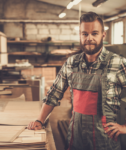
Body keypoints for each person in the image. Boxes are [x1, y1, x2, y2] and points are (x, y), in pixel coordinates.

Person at [28, 12, 126, 150]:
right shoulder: (71, 63)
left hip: (106, 141)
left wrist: (125, 128)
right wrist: (40, 120)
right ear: (80, 35)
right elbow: (54, 93)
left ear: (103, 35)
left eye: (94, 33)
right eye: (85, 34)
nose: (89, 38)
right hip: (76, 139)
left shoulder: (118, 63)